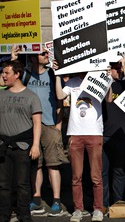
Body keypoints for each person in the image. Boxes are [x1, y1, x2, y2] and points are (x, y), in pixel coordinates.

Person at [10, 45, 68, 216]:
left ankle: (56, 201)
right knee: (36, 164)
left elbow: (60, 100)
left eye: (46, 53)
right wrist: (14, 57)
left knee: (53, 164)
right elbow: (12, 77)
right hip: (30, 126)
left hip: (50, 124)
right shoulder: (26, 74)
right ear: (34, 58)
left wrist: (58, 125)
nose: (46, 56)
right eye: (42, 54)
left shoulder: (51, 73)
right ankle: (36, 200)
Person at [55, 67, 113, 222]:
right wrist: (57, 75)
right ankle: (78, 209)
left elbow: (109, 99)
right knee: (76, 176)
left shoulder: (98, 78)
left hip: (94, 132)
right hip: (75, 132)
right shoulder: (73, 82)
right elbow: (60, 95)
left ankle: (98, 209)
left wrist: (108, 80)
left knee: (96, 176)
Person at [0, 60, 42, 222]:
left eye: (7, 73)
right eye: (3, 73)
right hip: (3, 146)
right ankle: (3, 215)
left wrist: (36, 145)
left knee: (22, 184)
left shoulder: (31, 96)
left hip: (23, 146)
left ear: (17, 75)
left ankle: (24, 215)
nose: (3, 76)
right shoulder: (1, 93)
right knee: (3, 185)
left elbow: (37, 123)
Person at [102, 57, 125, 213]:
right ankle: (103, 204)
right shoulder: (103, 84)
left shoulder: (124, 84)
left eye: (120, 68)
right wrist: (106, 76)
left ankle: (117, 202)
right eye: (116, 68)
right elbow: (107, 100)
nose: (118, 70)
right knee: (103, 172)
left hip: (121, 135)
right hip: (103, 135)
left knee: (119, 172)